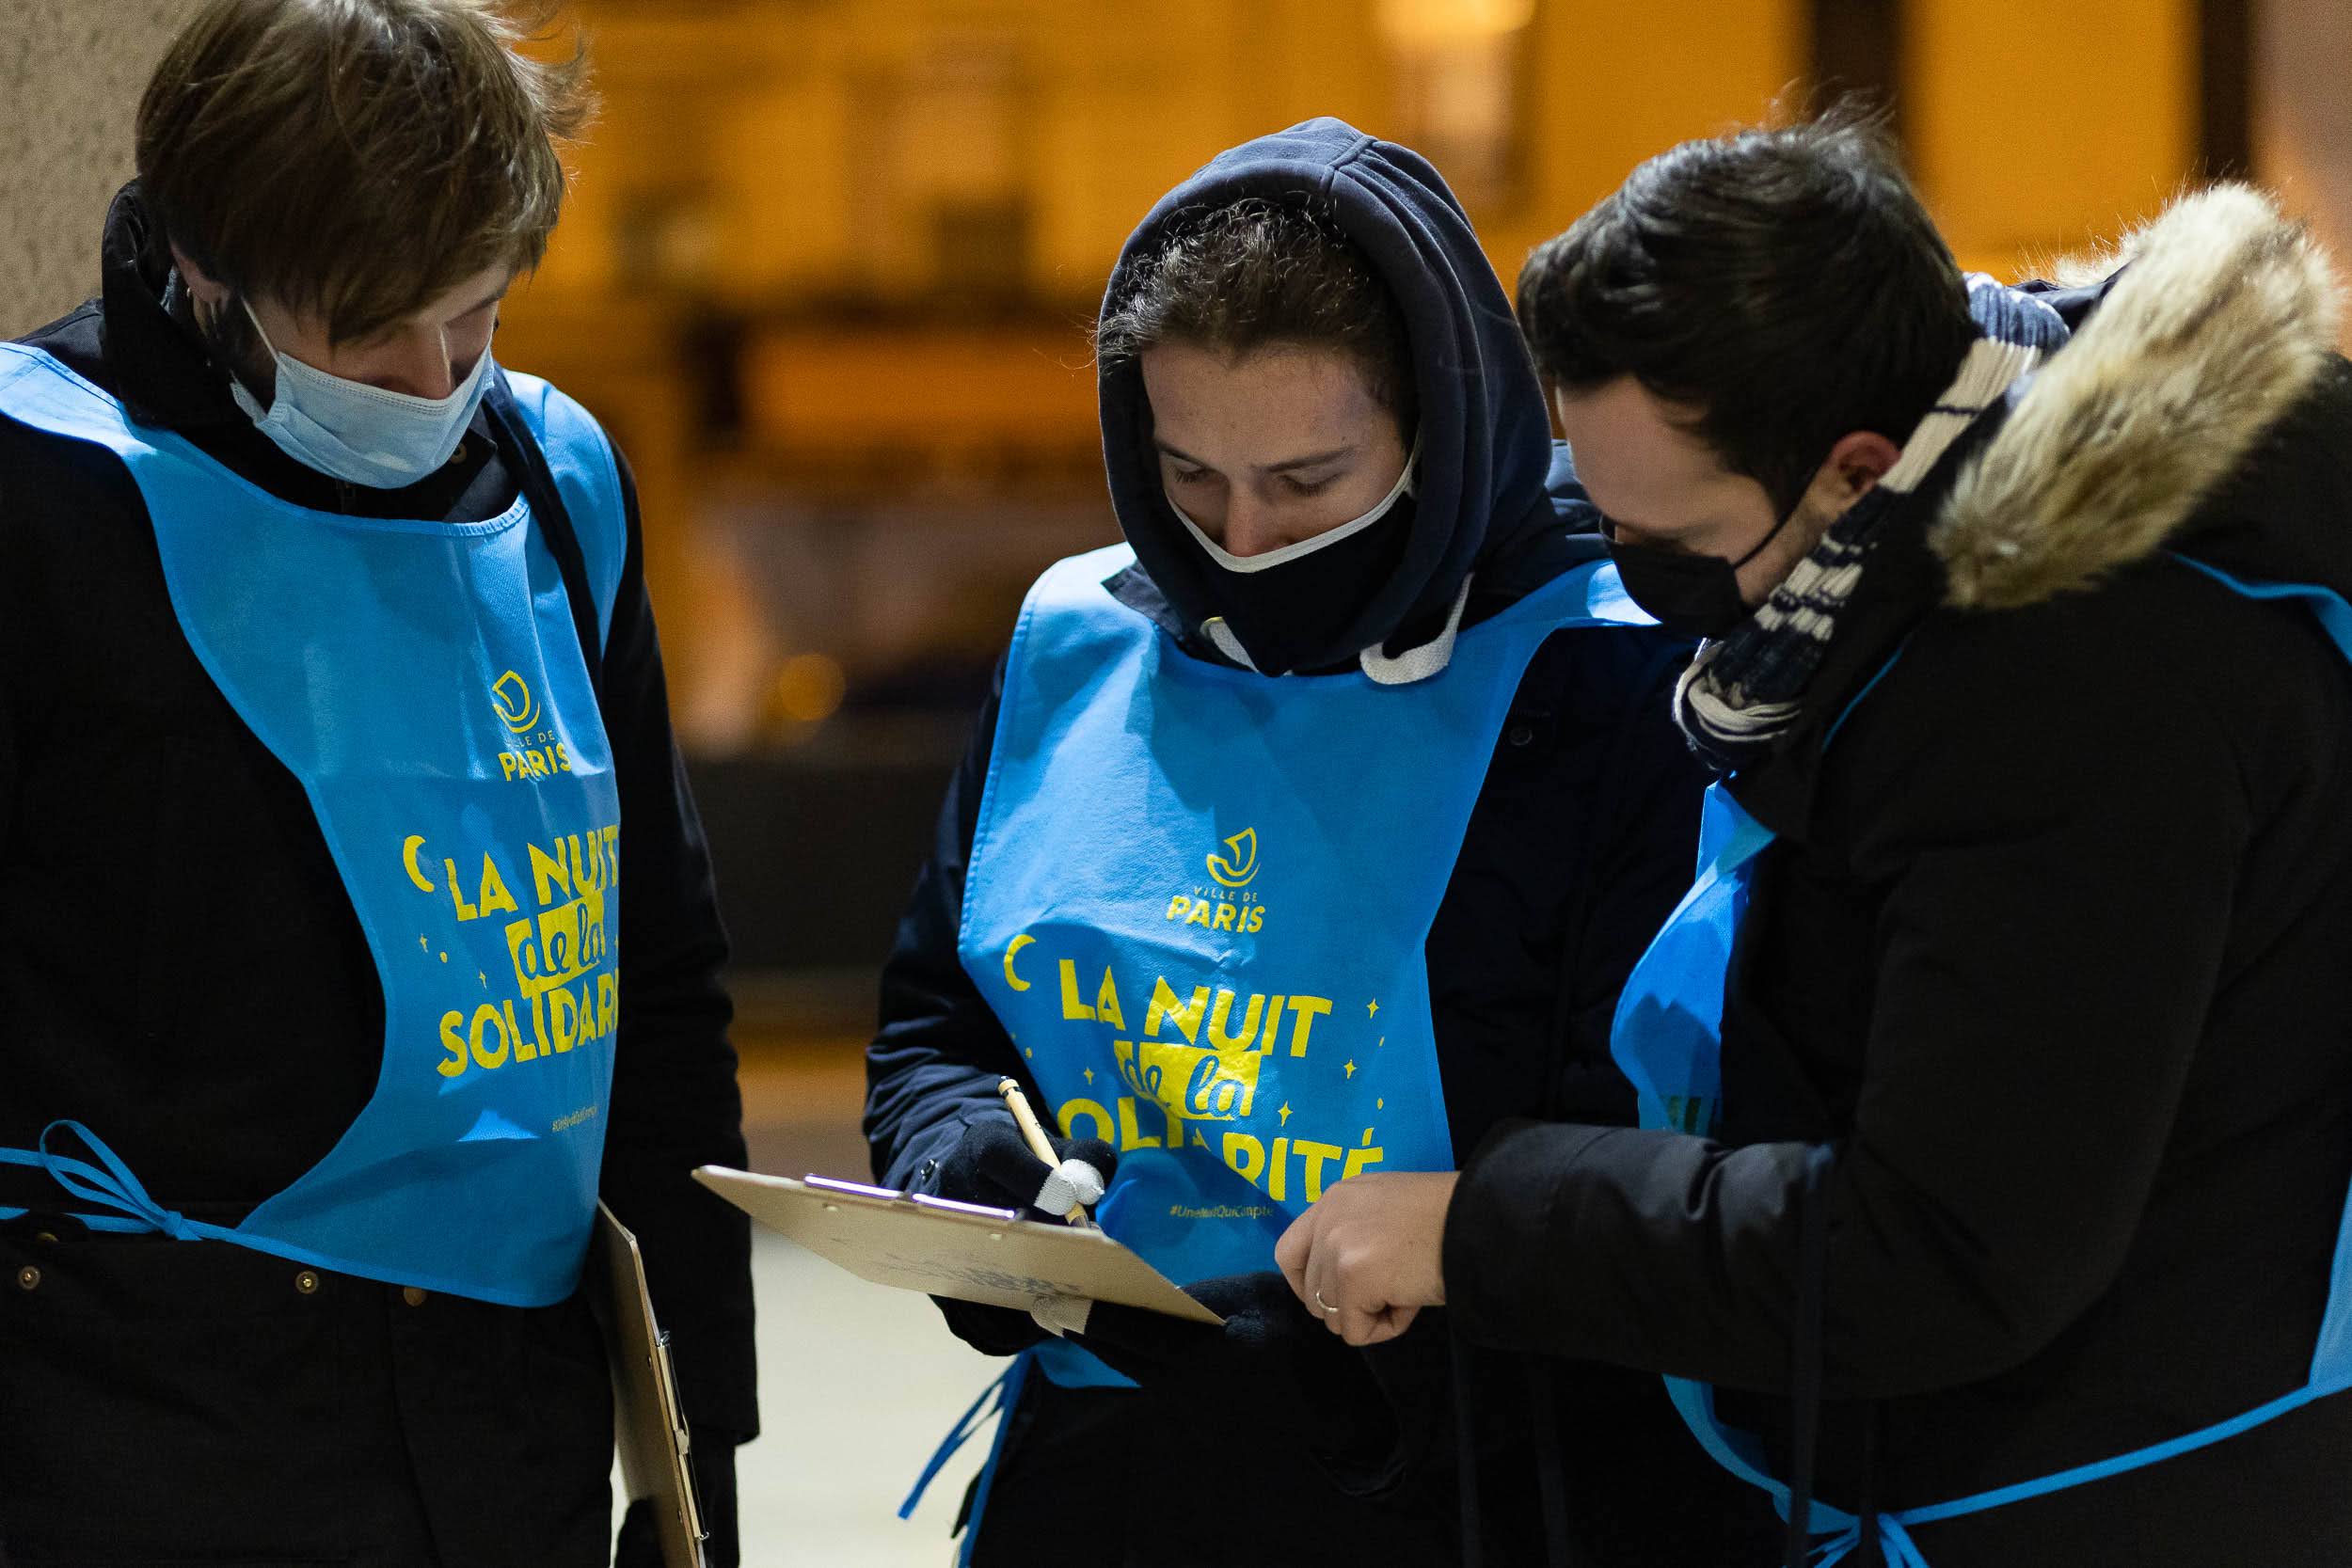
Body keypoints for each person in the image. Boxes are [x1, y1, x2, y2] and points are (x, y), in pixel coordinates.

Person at [1275, 110, 2352, 1567]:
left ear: (1853, 470)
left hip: (2108, 1498)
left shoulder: (2070, 687)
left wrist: (1484, 1226)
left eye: (1677, 540)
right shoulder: (1938, 560)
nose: (1639, 579)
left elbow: (1944, 1248)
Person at [864, 118, 1780, 1567]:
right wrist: (957, 1163)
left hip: (1481, 1488)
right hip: (1110, 1476)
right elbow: (937, 1017)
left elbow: (1659, 1160)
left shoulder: (1611, 670)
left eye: (1308, 483)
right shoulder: (1076, 642)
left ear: (1446, 425)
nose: (1241, 538)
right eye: (1188, 477)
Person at [0, 3, 753, 1562]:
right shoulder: (43, 483)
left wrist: (701, 1416)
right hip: (140, 1409)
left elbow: (658, 972)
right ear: (203, 271)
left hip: (503, 1416)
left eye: (471, 322)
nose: (429, 385)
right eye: (366, 335)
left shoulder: (555, 477)